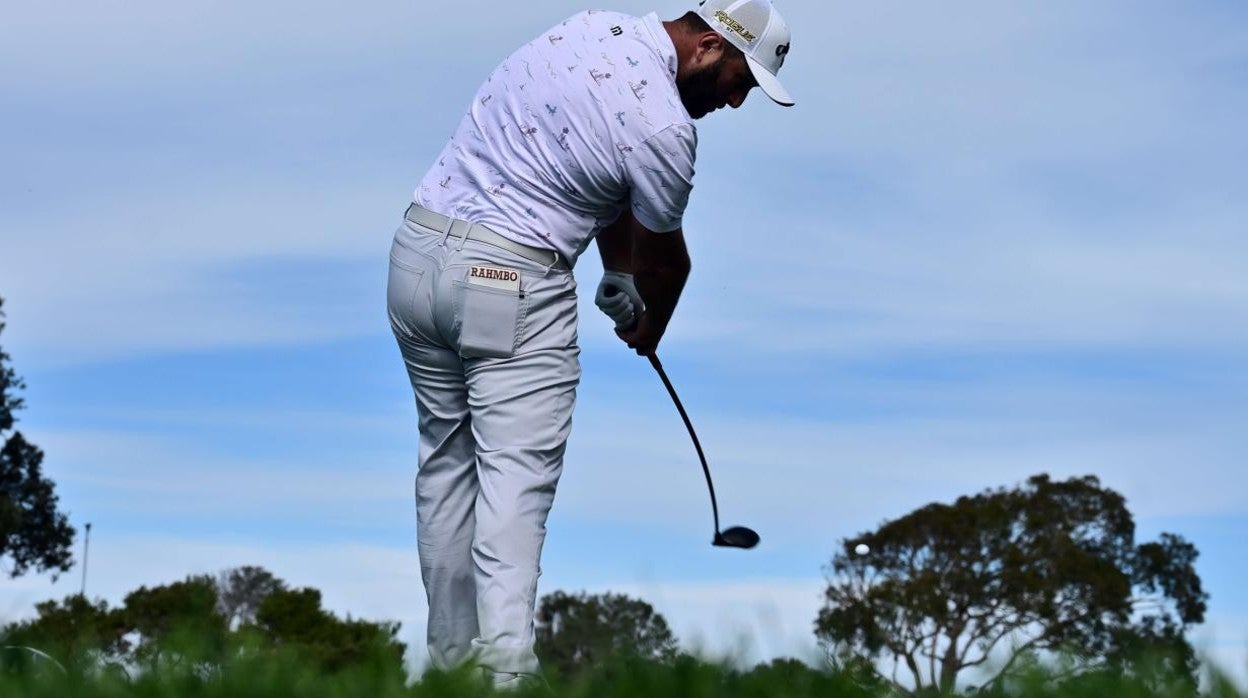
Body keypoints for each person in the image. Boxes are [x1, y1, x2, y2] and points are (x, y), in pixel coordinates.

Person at [386, 0, 794, 687]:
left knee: (447, 472)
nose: (736, 101)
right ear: (706, 49)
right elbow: (667, 263)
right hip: (506, 281)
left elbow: (606, 185)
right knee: (513, 489)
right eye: (740, 82)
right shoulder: (667, 127)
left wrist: (613, 276)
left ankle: (452, 675)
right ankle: (506, 679)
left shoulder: (588, 27)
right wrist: (646, 323)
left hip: (415, 262)